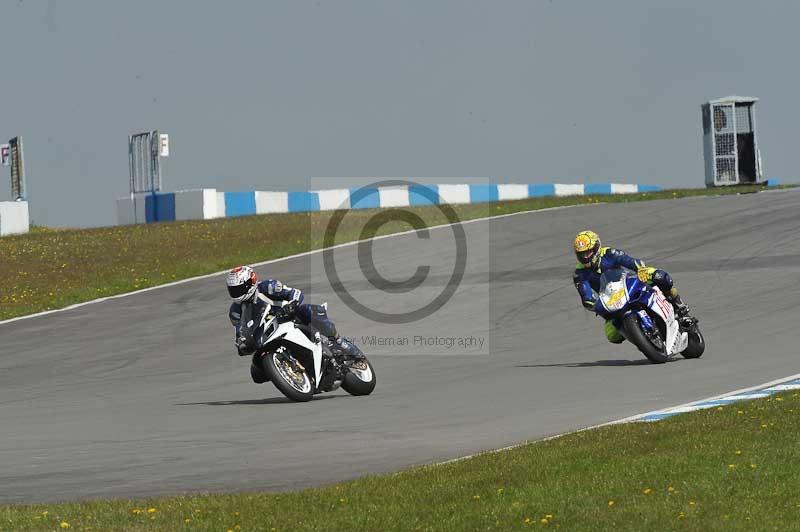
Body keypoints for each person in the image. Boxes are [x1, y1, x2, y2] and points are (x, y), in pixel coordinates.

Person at [225, 265, 351, 383]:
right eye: (233, 290)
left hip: (289, 319)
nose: (237, 293)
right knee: (256, 374)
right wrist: (242, 345)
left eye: (239, 289)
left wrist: (292, 304)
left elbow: (295, 293)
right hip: (266, 336)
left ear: (250, 282)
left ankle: (338, 340)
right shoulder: (235, 311)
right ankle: (287, 373)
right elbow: (239, 332)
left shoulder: (268, 287)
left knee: (306, 310)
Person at [572, 230, 688, 344]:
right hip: (611, 301)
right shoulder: (579, 273)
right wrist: (593, 304)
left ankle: (679, 305)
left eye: (588, 252)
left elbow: (630, 261)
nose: (585, 257)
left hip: (628, 285)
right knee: (611, 335)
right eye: (581, 254)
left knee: (659, 276)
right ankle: (640, 336)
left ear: (596, 248)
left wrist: (640, 269)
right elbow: (586, 297)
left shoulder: (609, 253)